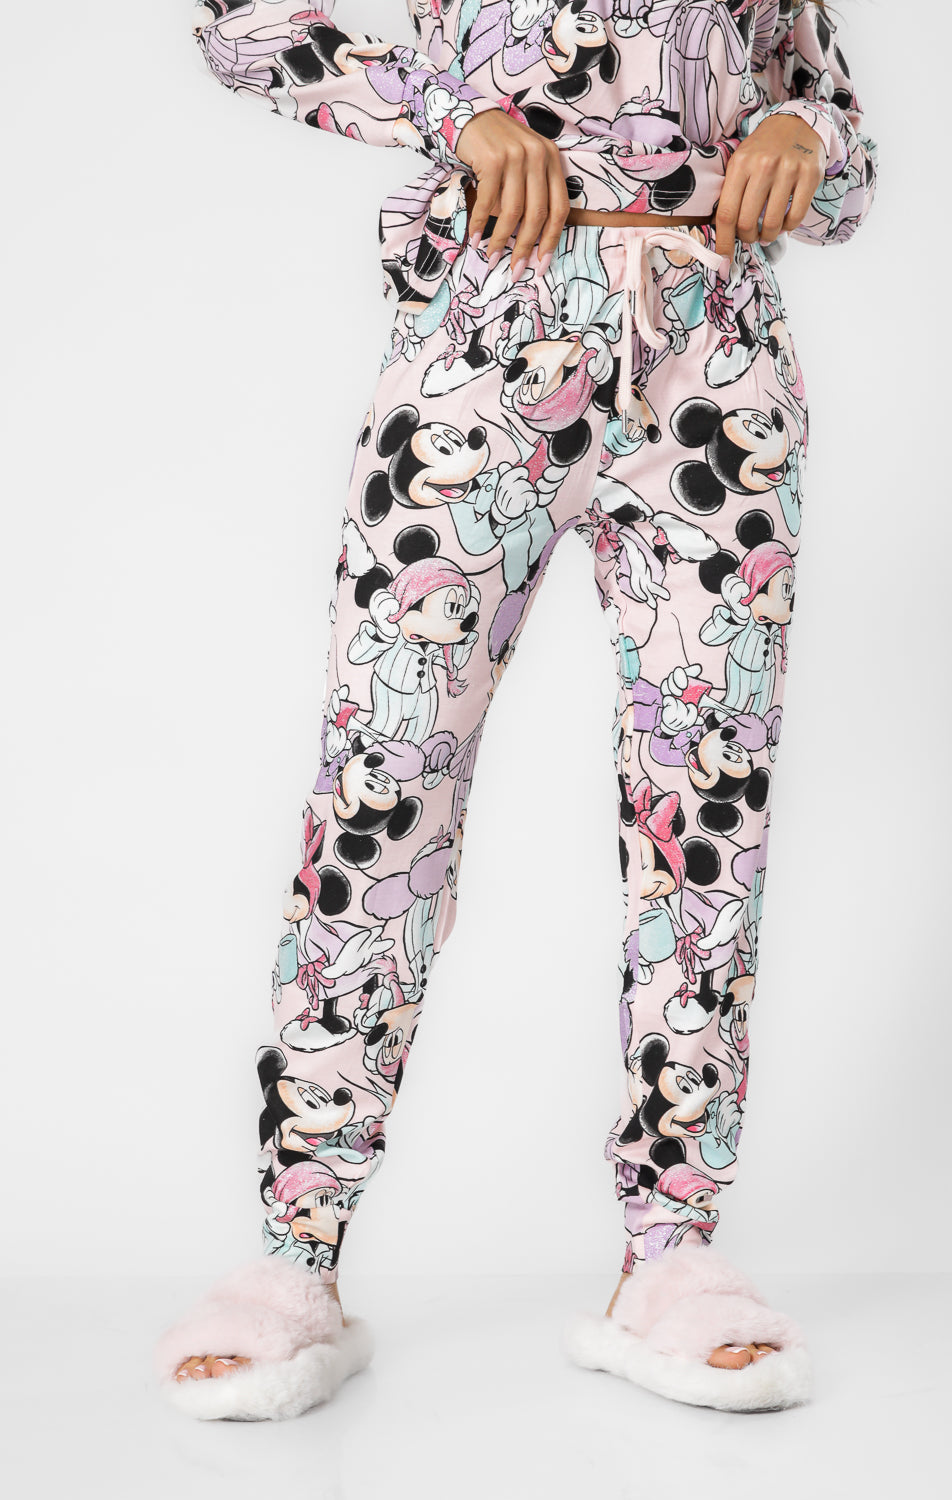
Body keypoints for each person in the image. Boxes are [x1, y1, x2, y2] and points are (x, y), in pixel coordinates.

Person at [153, 0, 878, 1421]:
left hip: (719, 362)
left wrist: (805, 134)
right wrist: (456, 113)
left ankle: (672, 1252)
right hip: (483, 343)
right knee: (385, 790)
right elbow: (235, 23)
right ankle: (296, 1252)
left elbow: (842, 147)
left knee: (708, 807)